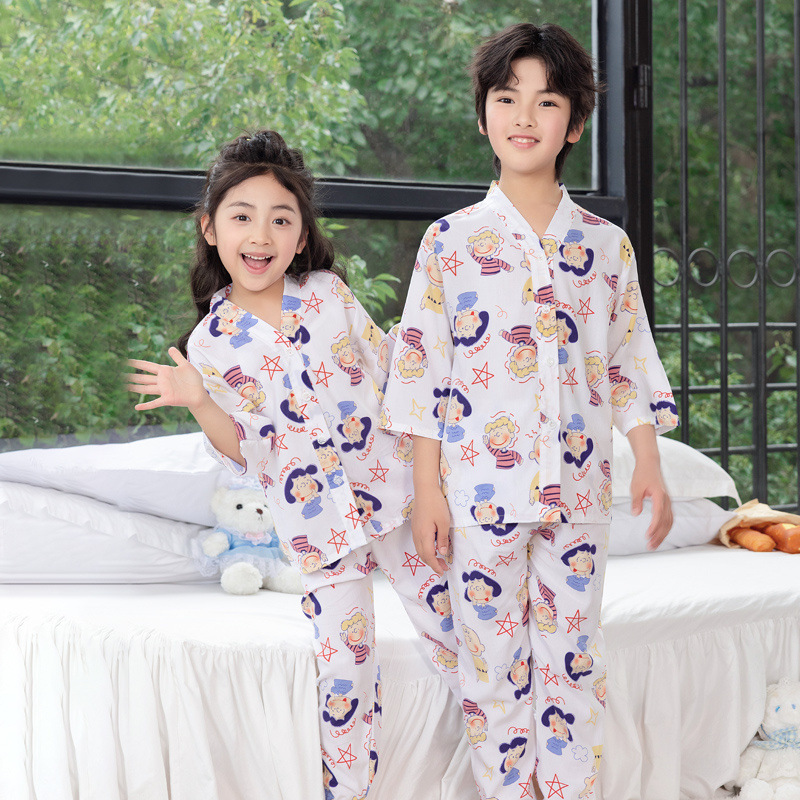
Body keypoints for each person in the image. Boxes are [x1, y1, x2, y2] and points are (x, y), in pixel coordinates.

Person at [380, 22, 678, 800]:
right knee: (492, 669)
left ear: (573, 124)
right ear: (483, 115)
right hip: (479, 495)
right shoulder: (450, 243)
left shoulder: (606, 248)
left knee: (574, 664)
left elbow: (627, 362)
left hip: (579, 495)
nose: (524, 115)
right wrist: (428, 491)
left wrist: (648, 460)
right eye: (507, 98)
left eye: (546, 102)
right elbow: (422, 375)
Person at [125, 129, 459, 799]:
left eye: (281, 219)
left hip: (397, 495)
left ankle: (513, 766)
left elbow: (391, 369)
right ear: (210, 229)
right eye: (242, 217)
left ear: (302, 235)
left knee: (459, 632)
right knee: (345, 673)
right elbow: (244, 451)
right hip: (320, 529)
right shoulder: (210, 344)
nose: (261, 235)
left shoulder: (328, 294)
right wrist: (199, 401)